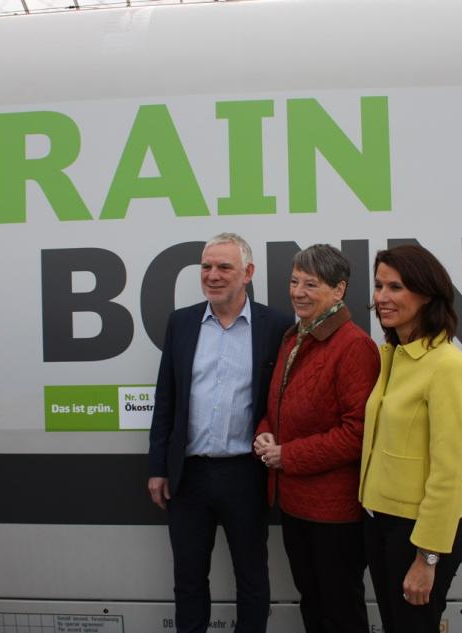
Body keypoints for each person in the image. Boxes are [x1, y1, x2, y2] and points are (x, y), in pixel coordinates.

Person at [147, 232, 293, 633]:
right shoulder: (181, 322)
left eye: (224, 267)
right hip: (187, 477)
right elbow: (166, 400)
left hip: (246, 474)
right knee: (189, 580)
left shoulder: (277, 325)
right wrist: (158, 466)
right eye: (206, 266)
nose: (212, 275)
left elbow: (283, 400)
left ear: (247, 272)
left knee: (252, 577)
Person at [253, 244, 379, 633]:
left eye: (312, 283)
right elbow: (275, 407)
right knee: (312, 601)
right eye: (294, 282)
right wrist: (264, 434)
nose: (298, 292)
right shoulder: (293, 338)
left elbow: (357, 433)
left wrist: (287, 455)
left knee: (340, 608)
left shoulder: (355, 346)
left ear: (339, 290)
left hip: (335, 512)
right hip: (293, 503)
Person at [359, 244, 462, 633]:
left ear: (426, 294)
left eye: (395, 287)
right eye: (379, 286)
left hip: (416, 535)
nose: (382, 298)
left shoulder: (447, 367)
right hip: (382, 524)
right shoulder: (394, 356)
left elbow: (451, 473)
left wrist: (427, 558)